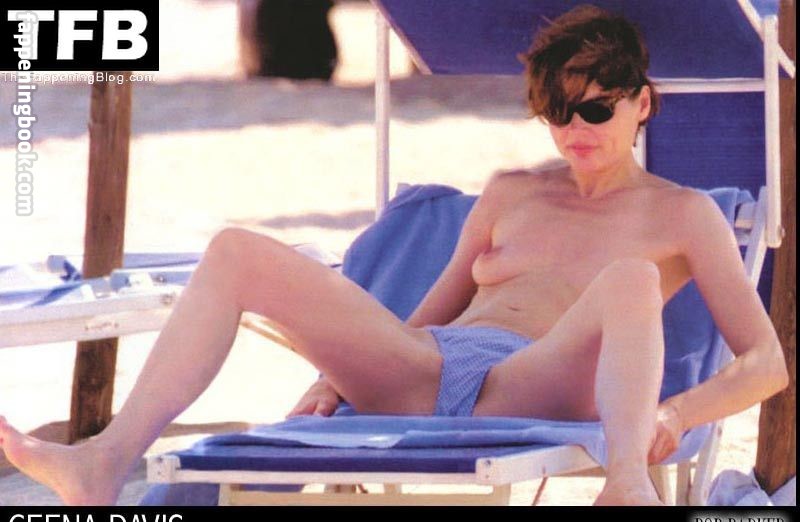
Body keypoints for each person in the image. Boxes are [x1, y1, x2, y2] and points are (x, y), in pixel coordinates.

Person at [0, 4, 788, 506]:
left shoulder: (685, 214)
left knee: (630, 280)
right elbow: (428, 314)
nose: (576, 129)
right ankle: (105, 459)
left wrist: (675, 414)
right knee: (236, 251)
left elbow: (767, 364)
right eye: (558, 111)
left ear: (642, 102)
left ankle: (625, 486)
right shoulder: (510, 192)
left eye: (596, 109)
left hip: (536, 380)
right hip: (429, 367)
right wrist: (334, 377)